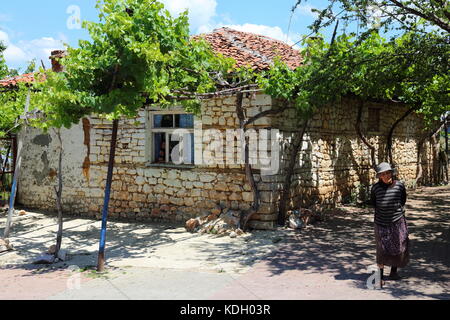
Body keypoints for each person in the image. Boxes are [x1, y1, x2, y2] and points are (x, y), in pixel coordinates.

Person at [370, 162, 410, 288]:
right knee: (381, 249)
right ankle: (380, 277)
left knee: (399, 246)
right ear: (379, 176)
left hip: (397, 222)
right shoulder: (375, 188)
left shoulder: (399, 186)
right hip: (381, 223)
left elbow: (402, 200)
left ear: (391, 173)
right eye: (383, 174)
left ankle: (393, 272)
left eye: (388, 173)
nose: (386, 175)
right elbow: (374, 203)